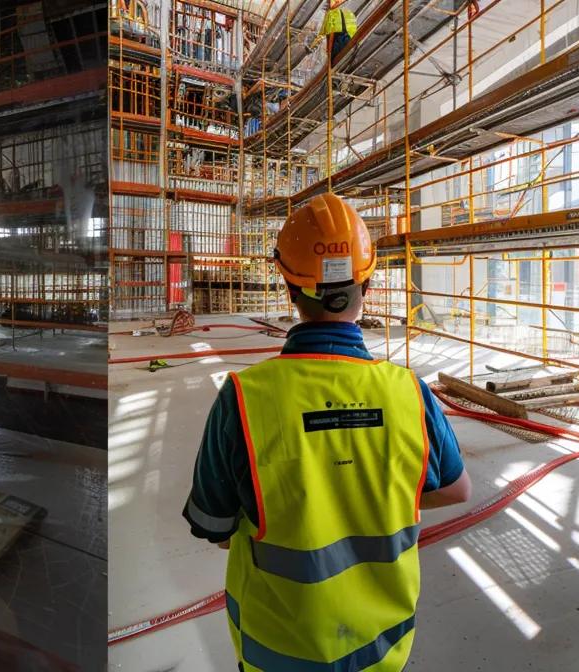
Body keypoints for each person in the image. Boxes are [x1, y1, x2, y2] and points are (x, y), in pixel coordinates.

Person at [183, 192, 471, 672]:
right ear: (369, 285)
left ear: (289, 288)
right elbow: (457, 489)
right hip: (382, 650)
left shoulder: (243, 398)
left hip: (276, 651)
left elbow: (214, 528)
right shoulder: (409, 392)